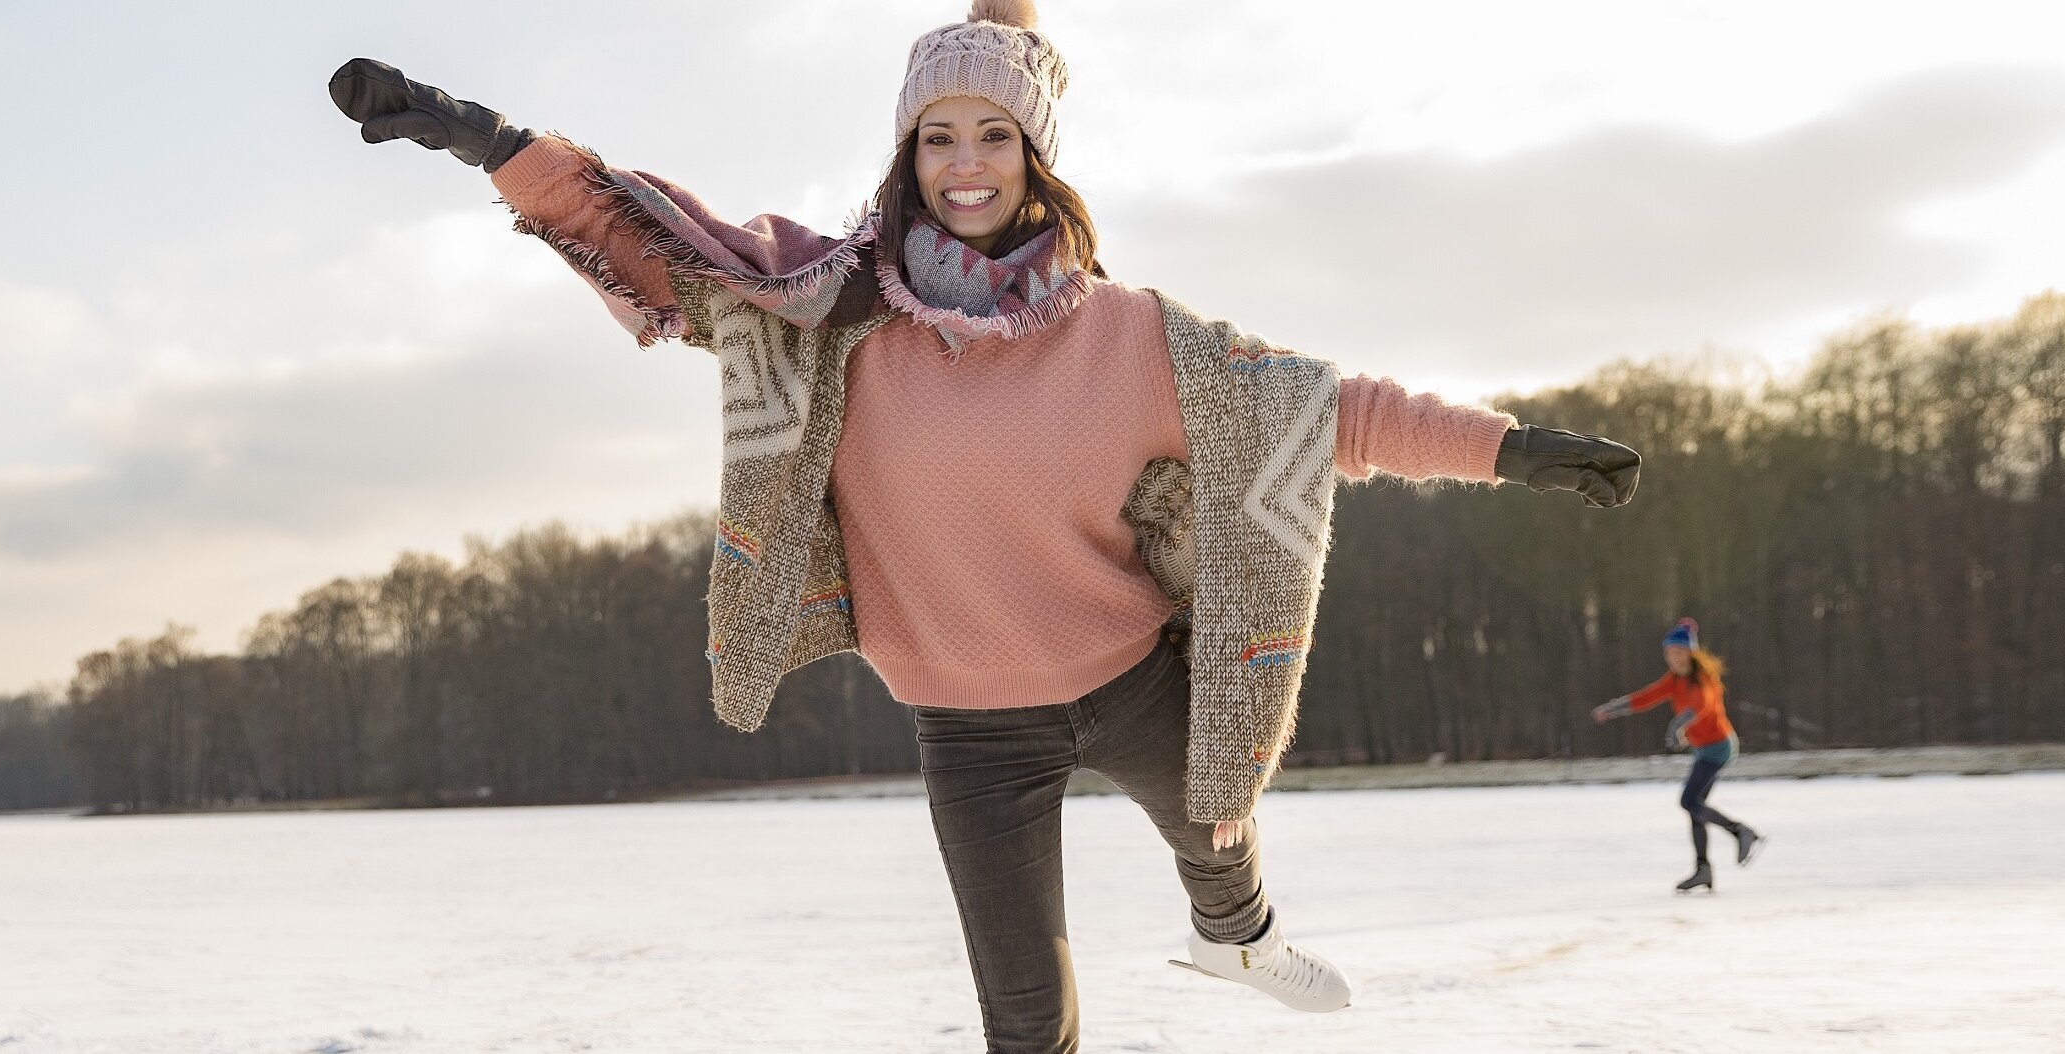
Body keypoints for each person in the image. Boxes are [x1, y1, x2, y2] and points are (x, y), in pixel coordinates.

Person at [329, 3, 1641, 1048]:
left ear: (1034, 158)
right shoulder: (828, 307)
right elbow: (662, 244)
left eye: (993, 135)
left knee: (1217, 825)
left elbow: (1321, 409)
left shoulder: (1126, 333)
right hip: (966, 723)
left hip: (1132, 677)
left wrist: (1510, 447)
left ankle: (1234, 937)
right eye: (938, 137)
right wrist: (486, 138)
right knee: (1026, 1021)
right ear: (907, 155)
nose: (964, 163)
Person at [1594, 617, 1760, 893]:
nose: (1673, 659)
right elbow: (1646, 697)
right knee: (1696, 807)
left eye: (1678, 653)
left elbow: (1703, 706)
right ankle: (1703, 869)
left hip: (1719, 747)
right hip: (1705, 748)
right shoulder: (1674, 680)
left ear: (1691, 653)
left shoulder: (1704, 678)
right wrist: (1612, 708)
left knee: (1689, 800)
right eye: (1669, 654)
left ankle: (1741, 831)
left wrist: (1677, 725)